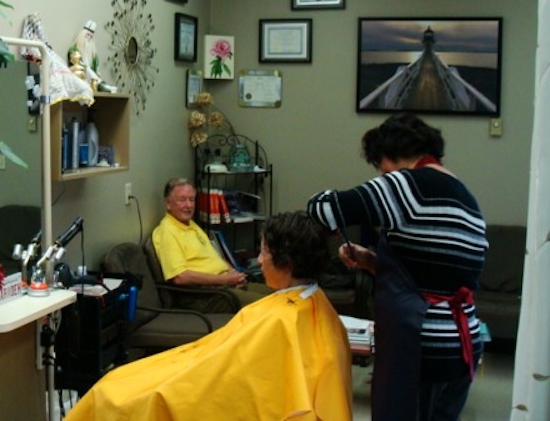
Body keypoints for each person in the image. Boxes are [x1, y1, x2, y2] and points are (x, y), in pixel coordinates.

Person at [65, 211, 353, 421]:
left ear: (286, 261)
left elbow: (223, 380)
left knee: (113, 393)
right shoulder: (314, 305)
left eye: (264, 252)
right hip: (205, 363)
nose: (260, 260)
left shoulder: (280, 321)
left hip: (204, 384)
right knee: (122, 379)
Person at [307, 112, 488, 420]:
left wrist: (322, 201)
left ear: (388, 156)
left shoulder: (408, 186)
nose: (381, 176)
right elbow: (429, 275)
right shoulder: (465, 196)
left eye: (380, 167)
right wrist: (369, 261)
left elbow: (323, 209)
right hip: (462, 344)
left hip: (420, 345)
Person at [152, 178, 272, 312]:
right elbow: (180, 277)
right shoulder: (167, 232)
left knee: (279, 294)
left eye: (191, 200)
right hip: (205, 296)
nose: (189, 205)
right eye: (182, 200)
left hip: (224, 286)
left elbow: (215, 257)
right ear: (168, 203)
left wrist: (233, 273)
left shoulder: (191, 225)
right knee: (270, 305)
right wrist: (225, 280)